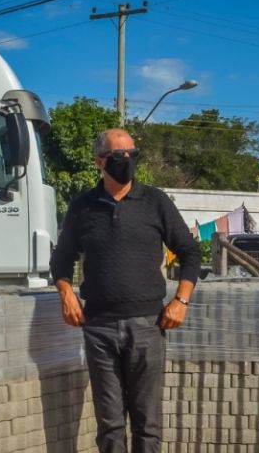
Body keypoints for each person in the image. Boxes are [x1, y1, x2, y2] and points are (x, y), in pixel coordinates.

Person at [50, 128, 201, 453]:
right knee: (110, 425)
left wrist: (181, 299)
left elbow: (190, 252)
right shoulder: (83, 207)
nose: (127, 161)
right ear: (99, 162)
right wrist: (66, 293)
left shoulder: (155, 202)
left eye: (133, 155)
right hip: (100, 329)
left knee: (147, 425)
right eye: (120, 156)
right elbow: (60, 260)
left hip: (148, 325)